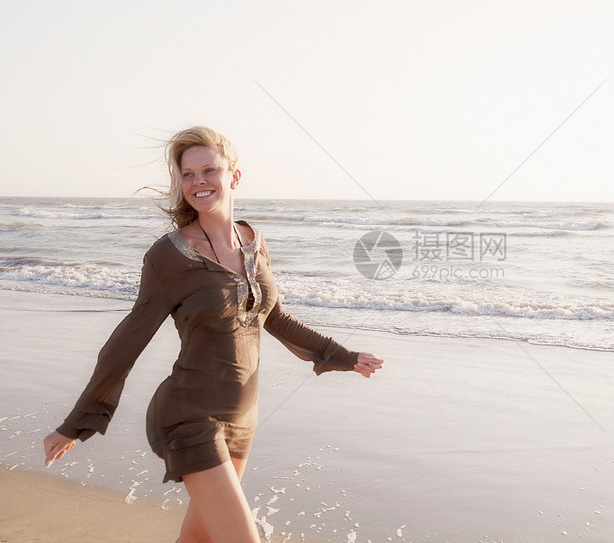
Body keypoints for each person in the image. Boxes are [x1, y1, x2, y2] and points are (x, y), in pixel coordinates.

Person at [43, 126, 383, 543]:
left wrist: (343, 355)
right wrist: (77, 421)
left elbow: (274, 317)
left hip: (242, 420)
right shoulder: (169, 255)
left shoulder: (253, 241)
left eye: (209, 170)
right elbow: (126, 341)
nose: (198, 181)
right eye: (187, 174)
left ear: (234, 176)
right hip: (189, 416)